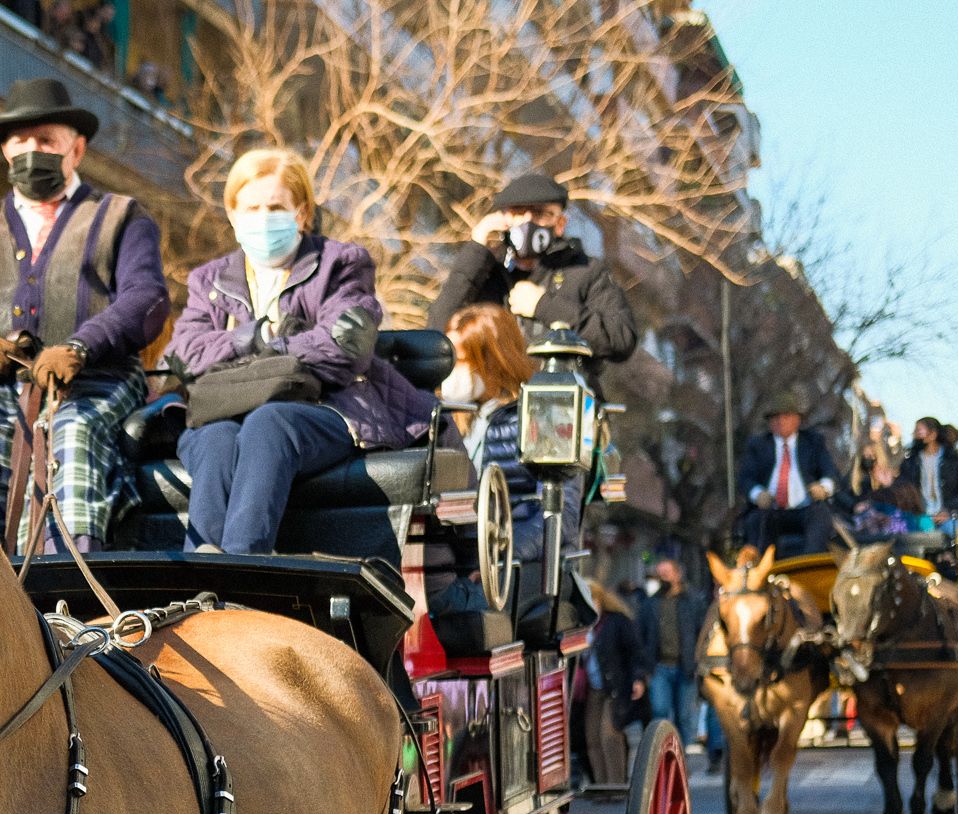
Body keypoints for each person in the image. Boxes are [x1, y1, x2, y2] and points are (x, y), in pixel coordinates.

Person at [0, 77, 170, 553]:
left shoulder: (122, 217)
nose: (33, 151)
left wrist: (81, 347)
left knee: (72, 436)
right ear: (6, 152)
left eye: (46, 140)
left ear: (77, 149)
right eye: (21, 141)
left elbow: (146, 300)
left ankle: (67, 596)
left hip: (94, 380)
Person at [166, 148, 435, 554]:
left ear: (302, 212)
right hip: (222, 412)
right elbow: (185, 353)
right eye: (251, 207)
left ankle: (242, 567)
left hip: (326, 407)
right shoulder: (209, 280)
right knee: (216, 439)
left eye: (275, 206)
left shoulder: (340, 263)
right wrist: (255, 339)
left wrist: (250, 353)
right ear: (233, 215)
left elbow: (345, 345)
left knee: (269, 423)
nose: (262, 217)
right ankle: (199, 577)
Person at [426, 171, 638, 378]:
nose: (528, 221)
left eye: (540, 213)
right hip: (498, 403)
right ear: (503, 219)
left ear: (560, 223)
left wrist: (545, 306)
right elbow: (438, 329)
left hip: (566, 402)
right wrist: (476, 250)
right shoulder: (487, 272)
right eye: (518, 212)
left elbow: (621, 339)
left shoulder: (585, 271)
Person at [440, 303, 584, 564]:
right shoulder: (450, 420)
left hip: (517, 573)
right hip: (466, 564)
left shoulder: (539, 418)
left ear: (492, 361)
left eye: (460, 361)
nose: (451, 372)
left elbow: (561, 513)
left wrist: (502, 557)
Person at [629, 558, 719, 771]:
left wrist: (701, 661)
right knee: (659, 710)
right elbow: (640, 638)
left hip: (685, 667)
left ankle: (679, 760)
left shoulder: (693, 601)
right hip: (659, 666)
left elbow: (702, 632)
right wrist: (642, 671)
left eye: (667, 572)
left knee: (684, 716)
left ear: (678, 574)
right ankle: (661, 756)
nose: (663, 577)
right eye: (660, 573)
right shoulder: (650, 604)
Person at [736, 392, 841, 555]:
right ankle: (762, 572)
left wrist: (823, 488)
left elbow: (832, 473)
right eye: (775, 417)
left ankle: (811, 567)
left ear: (797, 419)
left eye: (786, 416)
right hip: (771, 510)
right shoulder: (758, 445)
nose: (780, 421)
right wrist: (758, 495)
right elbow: (745, 479)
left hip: (806, 508)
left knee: (821, 516)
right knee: (756, 521)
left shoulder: (813, 442)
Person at [586, 580, 651, 786]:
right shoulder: (583, 625)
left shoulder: (617, 621)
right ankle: (600, 784)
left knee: (609, 735)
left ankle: (615, 784)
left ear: (599, 600)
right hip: (592, 688)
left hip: (615, 687)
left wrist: (638, 679)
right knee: (592, 739)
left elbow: (636, 653)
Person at [896, 416, 958, 524]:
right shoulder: (910, 462)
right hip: (921, 519)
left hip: (951, 518)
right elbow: (902, 489)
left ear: (933, 434)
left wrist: (948, 510)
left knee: (950, 533)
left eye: (919, 431)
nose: (914, 435)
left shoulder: (954, 458)